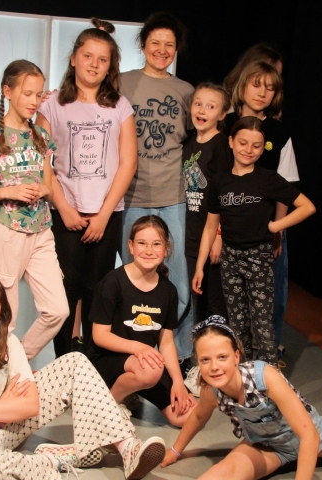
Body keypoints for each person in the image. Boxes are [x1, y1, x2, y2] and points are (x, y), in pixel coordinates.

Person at [0, 269, 166, 480]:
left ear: (1, 307)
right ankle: (52, 462)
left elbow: (31, 406)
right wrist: (2, 411)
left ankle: (127, 448)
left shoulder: (8, 342)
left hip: (9, 423)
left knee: (75, 362)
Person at [160, 316, 322, 479]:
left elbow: (308, 435)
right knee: (220, 474)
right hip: (265, 447)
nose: (214, 367)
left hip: (308, 436)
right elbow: (198, 418)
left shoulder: (264, 376)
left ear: (236, 356)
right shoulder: (211, 391)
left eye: (222, 357)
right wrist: (175, 451)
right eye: (205, 360)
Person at [36, 18, 137, 358]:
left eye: (102, 59)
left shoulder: (120, 107)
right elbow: (41, 162)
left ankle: (94, 365)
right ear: (73, 58)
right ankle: (65, 361)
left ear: (110, 66)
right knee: (64, 292)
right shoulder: (51, 105)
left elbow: (128, 163)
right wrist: (64, 208)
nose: (94, 64)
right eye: (88, 56)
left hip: (105, 216)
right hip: (65, 214)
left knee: (98, 293)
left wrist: (104, 215)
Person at [0, 59, 69, 359]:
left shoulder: (41, 137)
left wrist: (42, 190)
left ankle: (17, 359)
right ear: (7, 92)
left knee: (58, 310)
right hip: (7, 231)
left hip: (42, 231)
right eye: (27, 94)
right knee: (4, 316)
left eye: (38, 95)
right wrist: (8, 191)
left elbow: (49, 186)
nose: (34, 101)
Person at [192, 117, 315, 365]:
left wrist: (276, 226)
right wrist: (199, 266)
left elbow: (307, 206)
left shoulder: (268, 179)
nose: (248, 150)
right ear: (231, 142)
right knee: (237, 324)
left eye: (256, 145)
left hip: (258, 257)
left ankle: (269, 379)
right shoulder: (219, 181)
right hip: (230, 259)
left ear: (263, 148)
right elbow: (210, 226)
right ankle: (244, 375)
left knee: (262, 324)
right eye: (243, 143)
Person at [119, 12, 195, 371]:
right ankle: (135, 354)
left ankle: (179, 356)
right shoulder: (122, 83)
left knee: (177, 281)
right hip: (131, 196)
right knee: (134, 280)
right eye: (155, 43)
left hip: (174, 196)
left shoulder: (186, 91)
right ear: (143, 45)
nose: (162, 50)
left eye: (169, 44)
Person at [87, 215, 198, 427]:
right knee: (150, 371)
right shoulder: (113, 282)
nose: (149, 251)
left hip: (143, 364)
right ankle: (107, 408)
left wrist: (178, 382)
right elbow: (99, 336)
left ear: (166, 249)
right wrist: (138, 348)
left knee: (187, 415)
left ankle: (130, 391)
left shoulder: (168, 291)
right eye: (142, 243)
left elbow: (166, 342)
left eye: (156, 244)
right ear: (130, 246)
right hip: (106, 361)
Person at [223, 58, 299, 360]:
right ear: (243, 86)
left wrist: (278, 229)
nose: (262, 93)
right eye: (256, 85)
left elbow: (286, 187)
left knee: (268, 301)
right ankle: (232, 356)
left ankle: (268, 357)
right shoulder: (225, 123)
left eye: (269, 88)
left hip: (265, 232)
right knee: (232, 303)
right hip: (228, 228)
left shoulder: (279, 133)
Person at [182, 83, 232, 326]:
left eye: (211, 107)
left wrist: (219, 235)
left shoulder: (221, 145)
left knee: (215, 302)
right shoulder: (188, 143)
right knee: (196, 298)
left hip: (212, 235)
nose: (202, 110)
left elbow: (226, 192)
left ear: (222, 114)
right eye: (198, 104)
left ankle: (220, 346)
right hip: (193, 234)